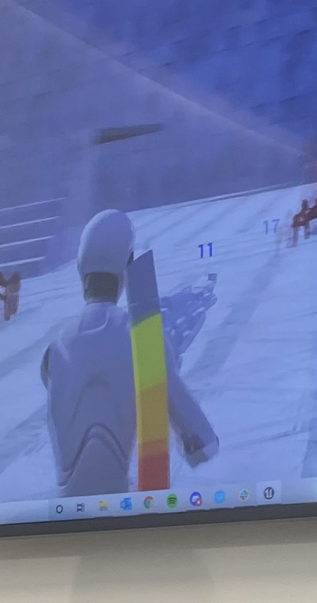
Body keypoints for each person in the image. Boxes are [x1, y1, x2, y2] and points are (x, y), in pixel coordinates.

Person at [40, 207, 218, 496]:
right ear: (129, 264)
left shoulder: (56, 344)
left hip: (66, 511)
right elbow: (204, 445)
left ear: (80, 268)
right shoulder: (141, 337)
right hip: (122, 508)